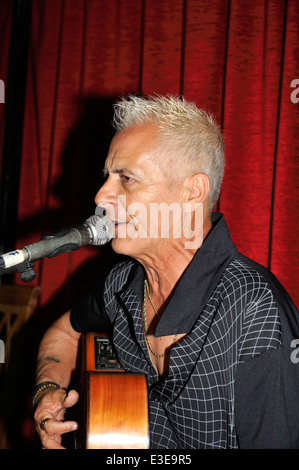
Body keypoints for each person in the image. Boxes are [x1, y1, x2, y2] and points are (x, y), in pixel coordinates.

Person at [33, 95, 299, 449]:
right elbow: (65, 333)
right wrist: (47, 389)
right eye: (107, 177)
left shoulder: (255, 309)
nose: (101, 195)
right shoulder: (121, 282)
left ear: (192, 192)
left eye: (126, 178)